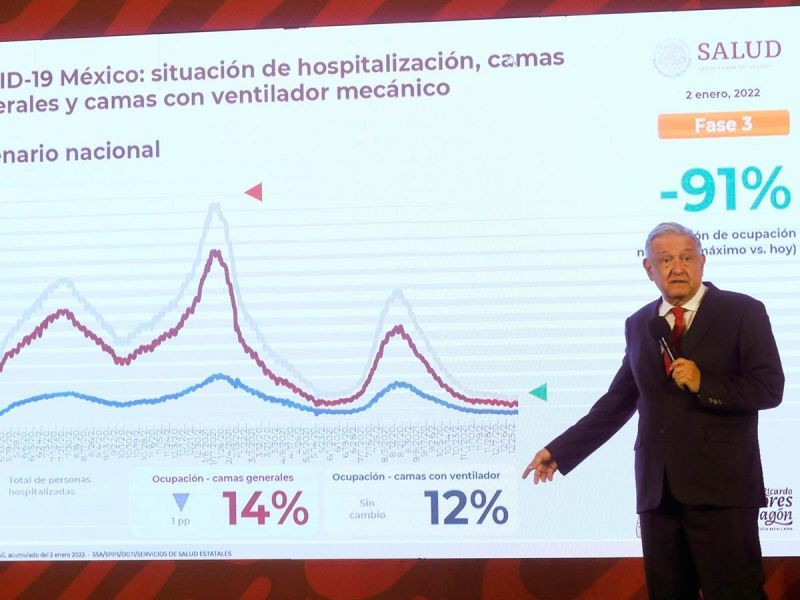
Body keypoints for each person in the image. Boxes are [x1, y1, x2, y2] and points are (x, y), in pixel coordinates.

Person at [522, 222, 784, 599]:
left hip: (723, 493)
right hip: (658, 496)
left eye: (686, 258)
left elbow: (769, 388)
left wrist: (704, 383)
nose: (677, 268)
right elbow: (616, 403)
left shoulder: (743, 311)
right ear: (649, 269)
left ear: (702, 262)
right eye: (665, 260)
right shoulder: (640, 324)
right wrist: (560, 451)